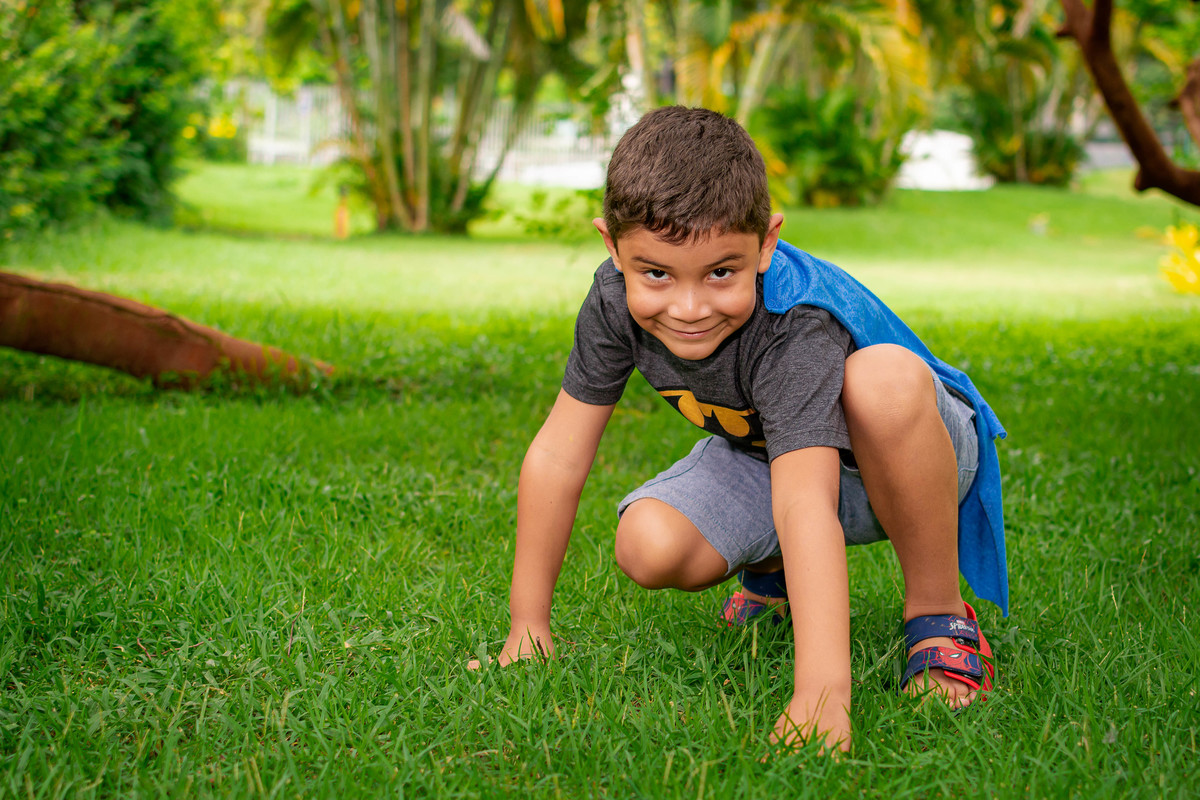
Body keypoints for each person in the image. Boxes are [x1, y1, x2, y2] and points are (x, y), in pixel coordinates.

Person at [468, 106, 1008, 753]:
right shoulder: (613, 301)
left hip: (913, 455)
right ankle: (773, 571)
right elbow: (558, 453)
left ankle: (936, 616)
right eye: (657, 274)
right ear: (612, 246)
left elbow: (806, 501)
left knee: (880, 381)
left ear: (767, 242)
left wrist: (821, 695)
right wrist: (528, 628)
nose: (689, 308)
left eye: (721, 272)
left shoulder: (793, 322)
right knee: (648, 543)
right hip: (777, 456)